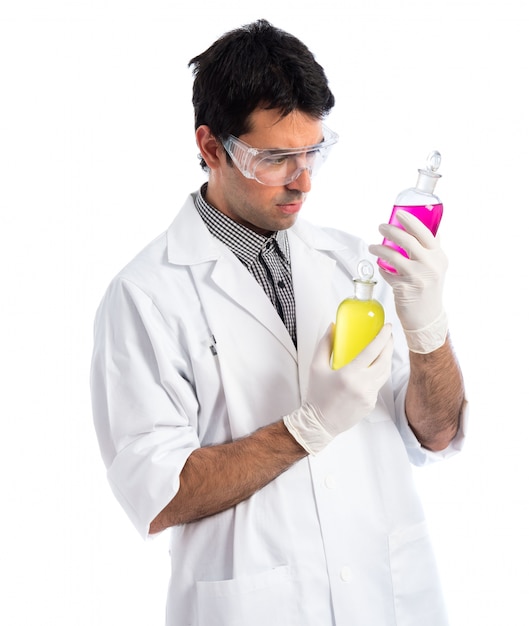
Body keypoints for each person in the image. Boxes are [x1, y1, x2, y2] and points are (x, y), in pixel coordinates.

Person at [90, 19, 467, 626]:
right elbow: (157, 494)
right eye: (276, 159)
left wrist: (427, 331)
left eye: (313, 151)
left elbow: (437, 432)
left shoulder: (350, 264)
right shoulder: (145, 296)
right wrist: (308, 427)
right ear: (211, 147)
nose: (304, 181)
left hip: (388, 599)